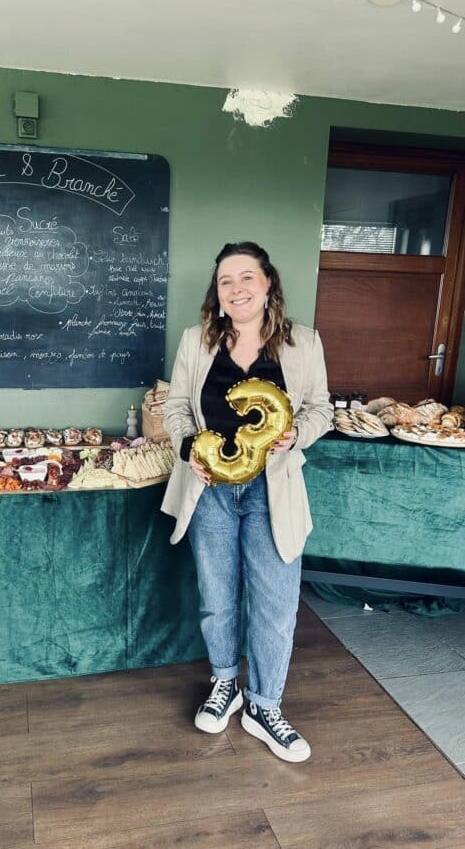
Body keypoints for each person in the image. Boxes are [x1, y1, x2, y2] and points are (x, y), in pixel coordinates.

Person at [162, 241, 333, 763]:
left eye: (246, 278)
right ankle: (225, 683)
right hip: (210, 487)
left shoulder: (303, 342)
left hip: (272, 489)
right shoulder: (197, 341)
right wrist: (190, 447)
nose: (236, 289)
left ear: (268, 284)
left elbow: (321, 409)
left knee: (276, 604)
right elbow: (175, 408)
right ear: (216, 294)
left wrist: (295, 435)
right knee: (217, 596)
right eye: (225, 282)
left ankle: (264, 705)